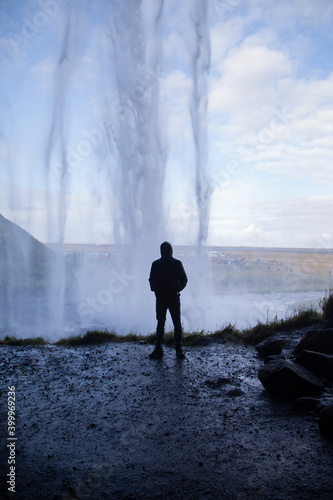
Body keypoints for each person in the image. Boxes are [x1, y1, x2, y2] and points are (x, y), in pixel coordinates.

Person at [149, 241, 188, 359]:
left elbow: (184, 279)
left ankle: (177, 348)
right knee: (161, 323)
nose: (165, 251)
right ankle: (160, 348)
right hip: (162, 298)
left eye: (167, 249)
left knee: (175, 324)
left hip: (172, 297)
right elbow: (151, 280)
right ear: (161, 251)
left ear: (171, 250)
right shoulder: (156, 264)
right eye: (164, 249)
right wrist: (156, 291)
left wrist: (177, 289)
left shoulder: (176, 263)